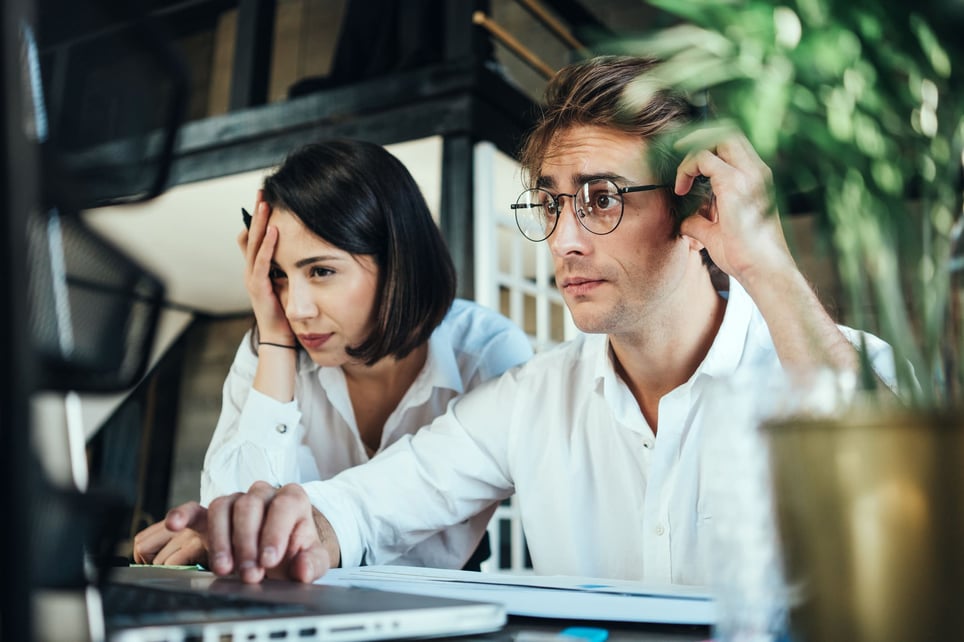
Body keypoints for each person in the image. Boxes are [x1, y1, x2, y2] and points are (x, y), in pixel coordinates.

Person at [162, 55, 895, 585]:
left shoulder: (830, 363)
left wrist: (766, 264)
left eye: (601, 198)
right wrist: (270, 528)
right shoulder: (530, 398)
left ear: (696, 207)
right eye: (551, 203)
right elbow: (367, 504)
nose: (565, 239)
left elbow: (903, 501)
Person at [132, 139, 533, 571]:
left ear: (400, 262)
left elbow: (433, 528)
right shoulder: (272, 345)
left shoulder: (488, 354)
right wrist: (274, 343)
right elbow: (236, 523)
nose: (295, 308)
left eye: (321, 271)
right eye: (278, 275)